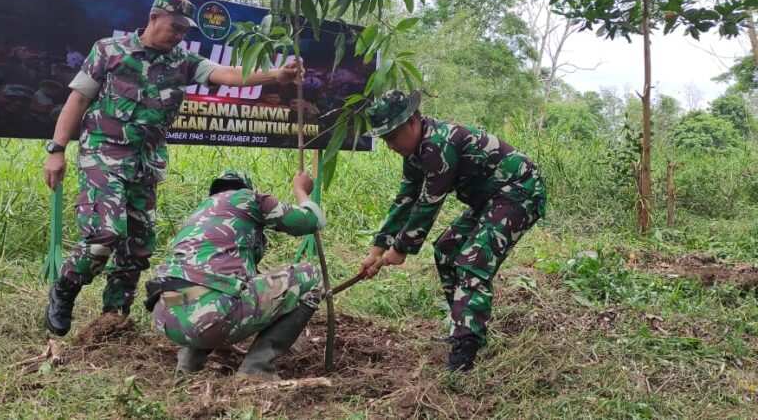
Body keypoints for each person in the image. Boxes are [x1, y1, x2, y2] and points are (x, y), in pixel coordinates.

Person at [43, 0, 301, 337]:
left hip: (145, 165)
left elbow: (226, 73)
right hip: (103, 157)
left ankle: (113, 319)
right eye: (175, 27)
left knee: (137, 248)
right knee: (105, 233)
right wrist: (56, 149)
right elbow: (77, 100)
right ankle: (65, 288)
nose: (179, 35)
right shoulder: (109, 51)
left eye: (184, 30)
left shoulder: (182, 62)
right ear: (153, 18)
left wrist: (274, 77)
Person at [360, 90, 547, 372]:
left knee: (473, 260)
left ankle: (466, 347)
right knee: (446, 249)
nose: (390, 144)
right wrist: (376, 250)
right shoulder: (414, 152)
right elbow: (405, 198)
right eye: (385, 139)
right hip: (489, 199)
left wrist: (399, 249)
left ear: (412, 121)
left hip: (519, 192)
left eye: (392, 136)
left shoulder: (438, 144)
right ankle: (463, 325)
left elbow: (427, 204)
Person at [146, 170, 325, 377]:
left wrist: (221, 340)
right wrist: (301, 190)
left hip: (166, 317)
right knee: (310, 275)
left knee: (205, 285)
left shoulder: (199, 213)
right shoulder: (248, 199)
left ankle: (189, 362)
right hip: (210, 317)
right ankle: (257, 369)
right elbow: (312, 221)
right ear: (245, 188)